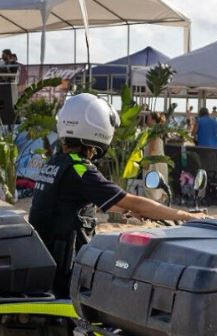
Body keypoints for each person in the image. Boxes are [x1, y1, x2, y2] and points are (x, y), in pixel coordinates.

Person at [28, 93, 203, 298]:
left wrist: (127, 211)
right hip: (66, 271)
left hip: (47, 261)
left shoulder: (56, 162)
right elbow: (133, 201)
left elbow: (74, 203)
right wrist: (186, 216)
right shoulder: (80, 169)